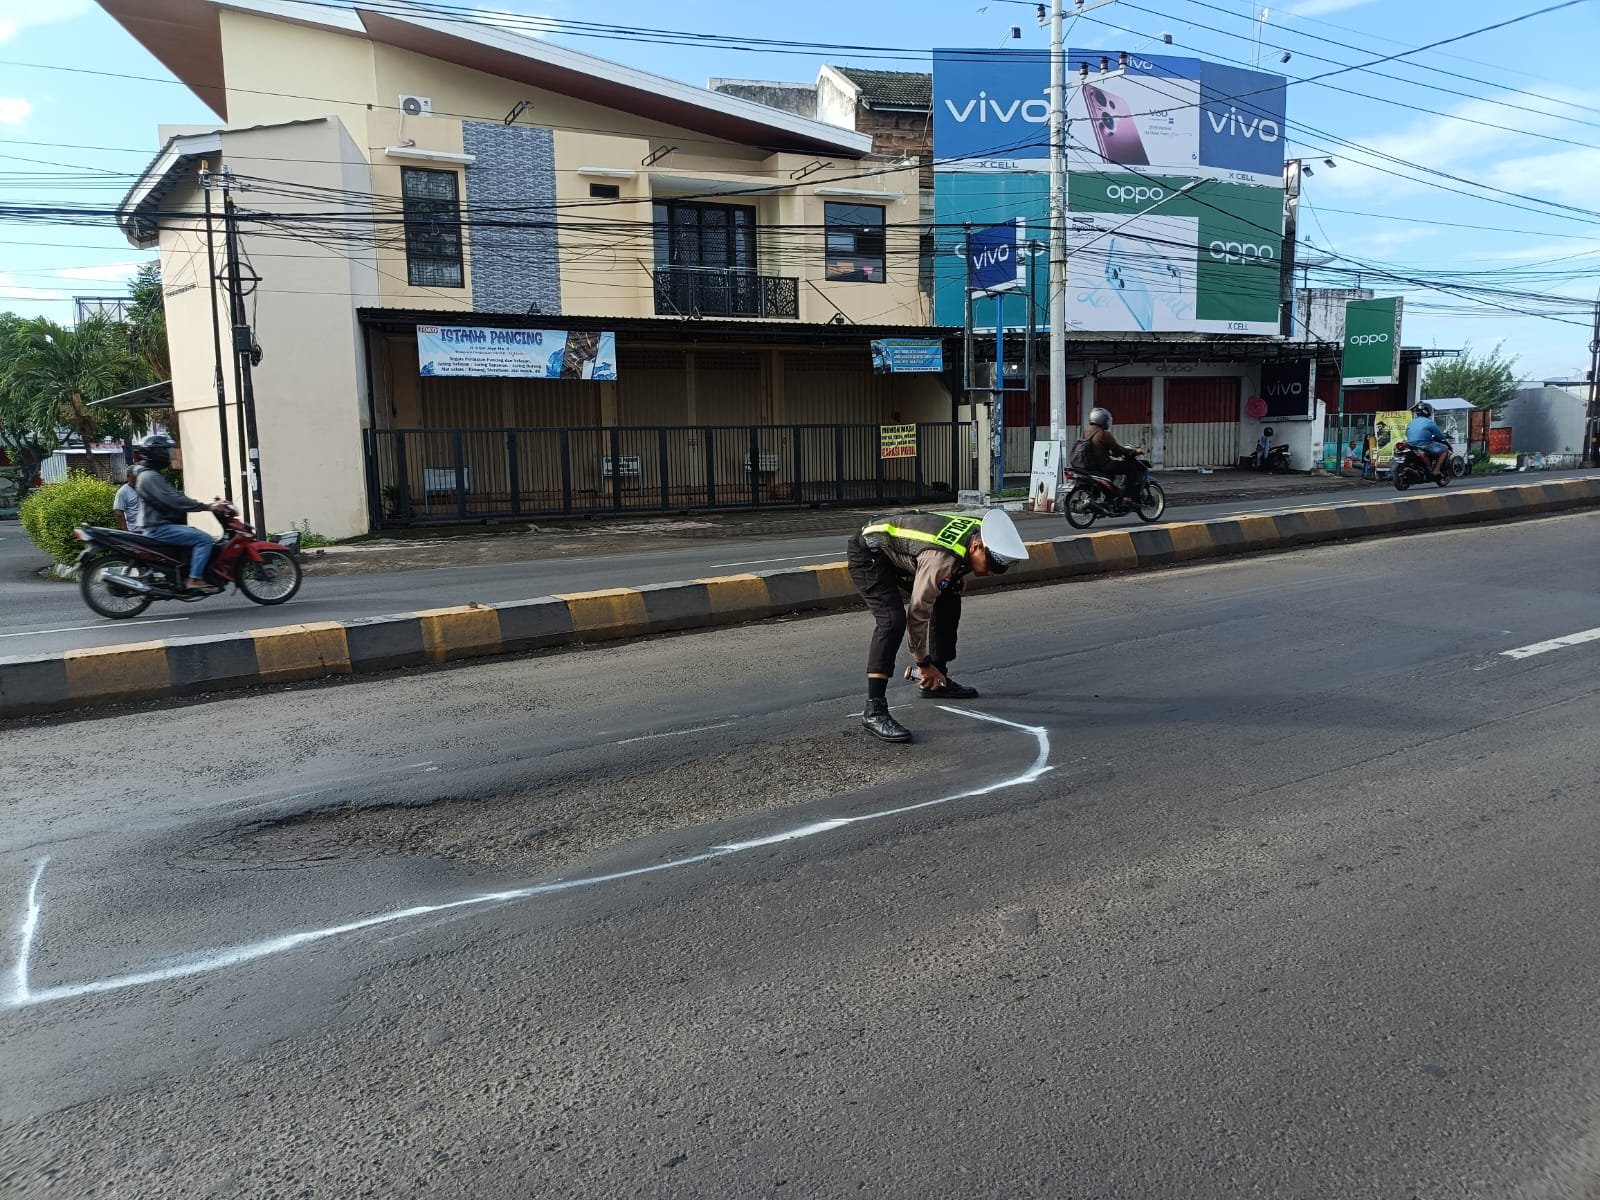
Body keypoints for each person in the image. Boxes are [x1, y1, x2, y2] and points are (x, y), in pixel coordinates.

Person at [846, 508, 1030, 743]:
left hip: (904, 549)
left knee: (949, 593)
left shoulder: (978, 531)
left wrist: (956, 575)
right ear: (976, 548)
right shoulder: (941, 560)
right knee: (892, 621)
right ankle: (874, 710)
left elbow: (954, 555)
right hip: (870, 554)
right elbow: (918, 612)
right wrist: (922, 663)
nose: (994, 572)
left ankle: (938, 680)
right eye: (992, 564)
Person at [134, 435, 228, 592]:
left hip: (159, 525)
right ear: (156, 453)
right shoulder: (150, 476)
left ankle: (188, 572)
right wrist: (206, 507)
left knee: (196, 534)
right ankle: (195, 579)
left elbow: (174, 496)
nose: (169, 455)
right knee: (204, 539)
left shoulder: (150, 475)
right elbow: (174, 500)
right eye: (165, 450)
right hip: (159, 528)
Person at [1083, 407, 1147, 503]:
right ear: (1103, 420)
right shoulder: (1103, 434)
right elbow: (1117, 449)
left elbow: (1097, 447)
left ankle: (1110, 497)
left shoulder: (1086, 431)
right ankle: (1127, 497)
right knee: (1131, 469)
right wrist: (1134, 451)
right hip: (1104, 465)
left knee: (1113, 475)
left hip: (1091, 465)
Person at [1404, 401, 1450, 480]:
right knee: (1445, 449)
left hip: (1411, 444)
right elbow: (1439, 435)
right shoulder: (1429, 422)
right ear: (1428, 412)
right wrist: (1444, 436)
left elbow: (1407, 433)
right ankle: (1436, 469)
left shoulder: (1411, 422)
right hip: (1424, 444)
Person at [112, 466, 143, 532]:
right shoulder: (123, 491)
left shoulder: (144, 488)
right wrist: (125, 530)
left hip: (148, 530)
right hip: (134, 530)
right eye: (136, 474)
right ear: (128, 476)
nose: (139, 476)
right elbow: (118, 512)